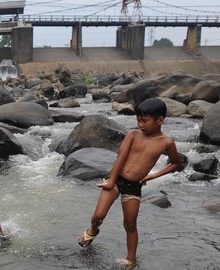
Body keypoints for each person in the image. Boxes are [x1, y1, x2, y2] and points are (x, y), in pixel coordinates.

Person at [77, 98, 181, 267]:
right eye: (138, 120)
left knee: (130, 225)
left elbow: (176, 163)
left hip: (134, 187)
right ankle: (93, 230)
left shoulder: (167, 142)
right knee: (99, 215)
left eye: (145, 121)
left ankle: (130, 260)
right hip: (117, 180)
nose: (140, 124)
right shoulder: (133, 134)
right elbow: (121, 157)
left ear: (160, 120)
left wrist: (151, 176)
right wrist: (111, 181)